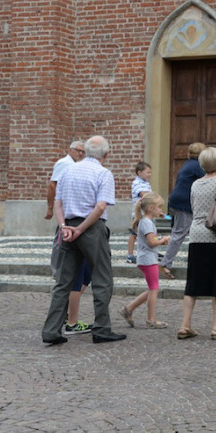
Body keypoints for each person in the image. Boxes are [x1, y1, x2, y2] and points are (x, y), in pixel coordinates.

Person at [42, 135, 126, 344]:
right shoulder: (103, 173)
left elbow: (58, 201)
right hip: (90, 228)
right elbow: (100, 207)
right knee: (102, 278)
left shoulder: (68, 170)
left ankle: (51, 330)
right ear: (106, 155)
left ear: (86, 152)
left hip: (67, 226)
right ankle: (102, 329)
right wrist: (80, 229)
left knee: (63, 281)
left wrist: (64, 227)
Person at [177, 147, 216, 340]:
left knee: (193, 283)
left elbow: (195, 208)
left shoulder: (195, 184)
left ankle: (185, 325)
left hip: (196, 234)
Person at [44, 140, 94, 334]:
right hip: (69, 222)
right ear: (70, 150)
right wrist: (52, 210)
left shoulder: (78, 166)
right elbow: (52, 186)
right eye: (78, 150)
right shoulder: (65, 163)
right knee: (75, 272)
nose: (81, 154)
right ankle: (70, 321)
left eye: (84, 151)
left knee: (86, 272)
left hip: (78, 223)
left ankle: (67, 311)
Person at [119, 192, 171, 329]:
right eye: (159, 207)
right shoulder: (147, 223)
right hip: (148, 259)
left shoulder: (144, 221)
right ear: (150, 208)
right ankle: (151, 319)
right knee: (154, 289)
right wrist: (163, 240)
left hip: (146, 259)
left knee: (152, 289)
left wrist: (159, 241)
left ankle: (128, 309)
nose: (161, 211)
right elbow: (151, 242)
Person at [159, 142, 206, 279]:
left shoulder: (188, 164)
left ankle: (197, 260)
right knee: (179, 234)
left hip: (177, 200)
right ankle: (166, 264)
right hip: (184, 203)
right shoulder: (198, 166)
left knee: (194, 232)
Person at [126, 162, 152, 263]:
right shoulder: (136, 183)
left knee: (149, 233)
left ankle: (149, 252)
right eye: (148, 172)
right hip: (138, 214)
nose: (149, 174)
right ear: (139, 172)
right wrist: (153, 196)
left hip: (147, 214)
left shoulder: (146, 183)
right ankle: (130, 255)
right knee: (134, 234)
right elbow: (144, 194)